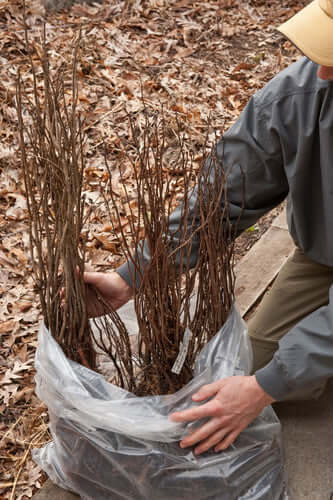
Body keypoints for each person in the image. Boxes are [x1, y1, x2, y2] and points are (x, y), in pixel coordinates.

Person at [84, 0, 333, 456]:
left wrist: (268, 387)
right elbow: (221, 199)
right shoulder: (297, 96)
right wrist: (132, 275)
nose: (321, 73)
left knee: (277, 377)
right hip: (324, 257)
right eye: (321, 54)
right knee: (258, 363)